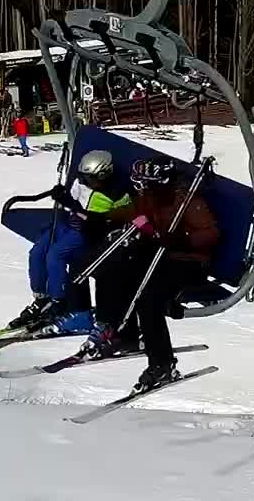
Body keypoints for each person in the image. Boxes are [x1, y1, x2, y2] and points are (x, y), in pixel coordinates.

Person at [87, 155, 219, 392]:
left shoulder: (186, 200)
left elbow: (210, 233)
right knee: (115, 273)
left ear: (160, 182)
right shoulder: (150, 197)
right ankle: (122, 333)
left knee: (148, 300)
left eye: (146, 183)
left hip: (189, 262)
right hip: (161, 255)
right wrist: (97, 217)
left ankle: (162, 363)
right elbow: (131, 211)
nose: (142, 188)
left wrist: (182, 240)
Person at [13, 150, 133, 337]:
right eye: (83, 177)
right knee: (37, 252)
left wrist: (70, 203)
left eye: (90, 178)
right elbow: (72, 199)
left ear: (104, 175)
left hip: (87, 232)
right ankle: (41, 298)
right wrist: (62, 195)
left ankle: (59, 302)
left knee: (56, 255)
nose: (85, 181)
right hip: (67, 224)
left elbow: (96, 221)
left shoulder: (114, 194)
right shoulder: (82, 181)